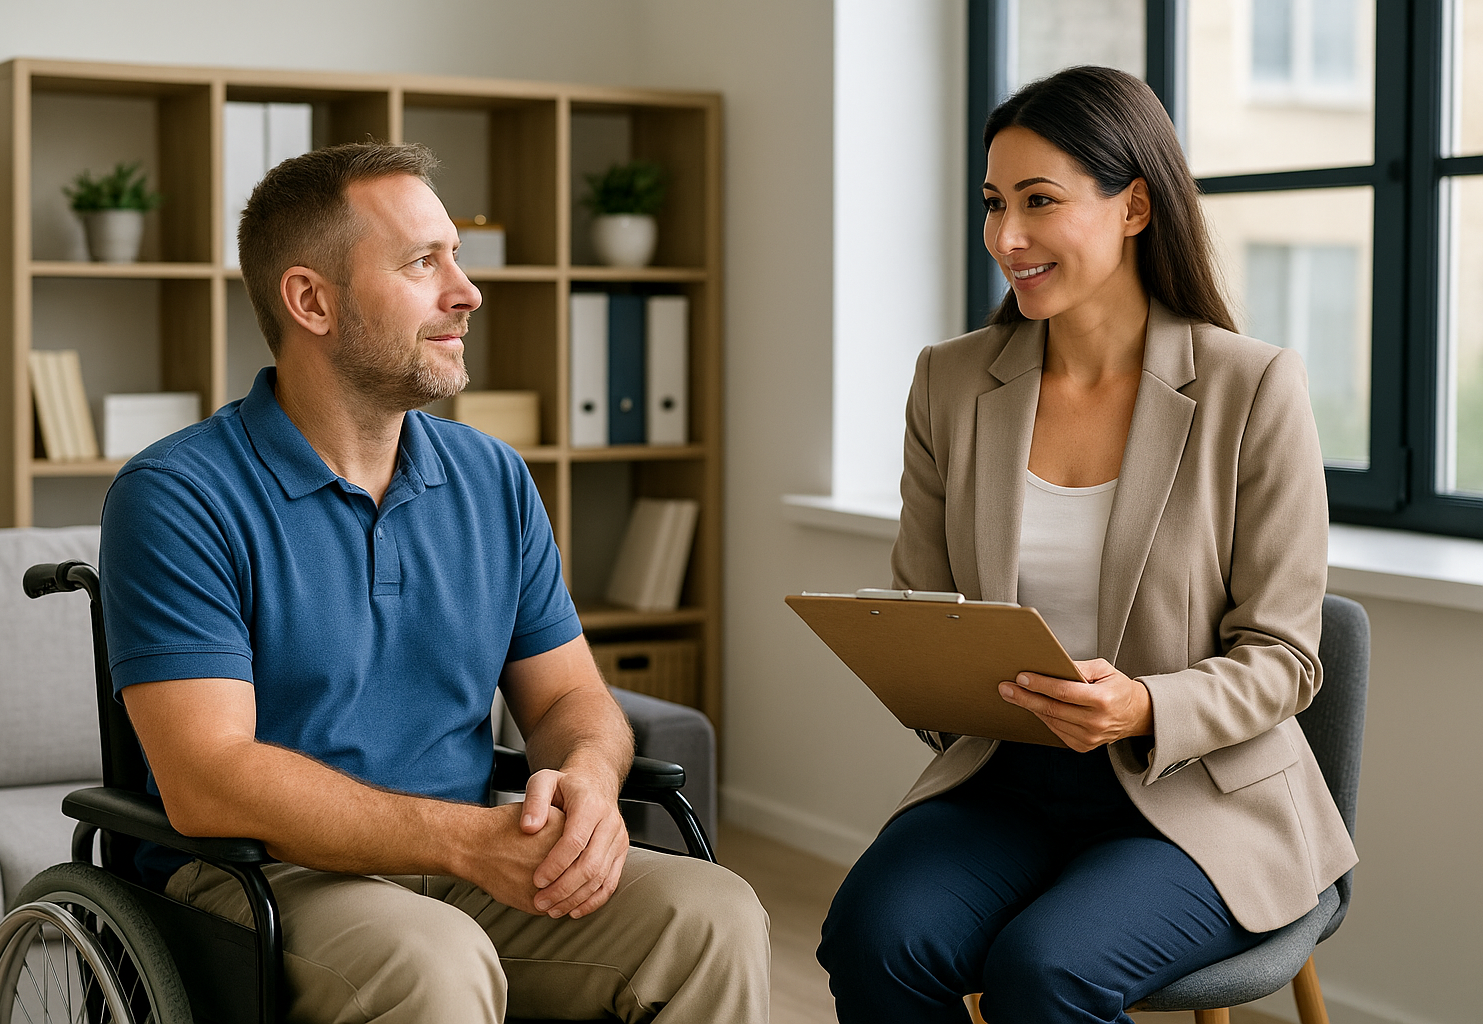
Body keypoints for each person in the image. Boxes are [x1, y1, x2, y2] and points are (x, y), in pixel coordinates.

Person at [99, 141, 768, 1024]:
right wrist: (468, 842)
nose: (468, 291)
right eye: (424, 262)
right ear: (311, 300)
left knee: (715, 915)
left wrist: (591, 789)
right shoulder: (178, 496)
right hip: (258, 879)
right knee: (433, 961)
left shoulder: (493, 478)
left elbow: (569, 695)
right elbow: (210, 779)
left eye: (456, 255)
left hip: (464, 864)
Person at [816, 66, 1358, 1023]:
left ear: (1135, 205)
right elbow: (926, 608)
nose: (1006, 238)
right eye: (993, 204)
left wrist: (1141, 704)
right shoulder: (950, 383)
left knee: (1049, 968)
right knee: (876, 935)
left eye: (1040, 202)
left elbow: (1286, 658)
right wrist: (922, 667)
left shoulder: (1252, 387)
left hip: (1198, 797)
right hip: (1005, 780)